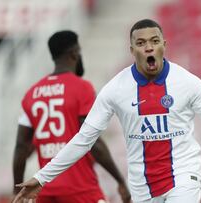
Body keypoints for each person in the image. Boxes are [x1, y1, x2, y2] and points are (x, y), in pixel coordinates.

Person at [13, 19, 201, 203]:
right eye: (141, 43)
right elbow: (83, 140)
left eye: (154, 41)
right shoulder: (115, 89)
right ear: (132, 49)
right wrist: (41, 178)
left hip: (183, 176)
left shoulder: (187, 83)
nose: (149, 48)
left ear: (164, 45)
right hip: (142, 186)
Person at [12, 30, 131, 203]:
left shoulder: (32, 94)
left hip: (43, 189)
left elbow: (21, 146)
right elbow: (94, 143)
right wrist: (120, 180)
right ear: (75, 53)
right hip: (80, 188)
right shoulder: (82, 88)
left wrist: (16, 189)